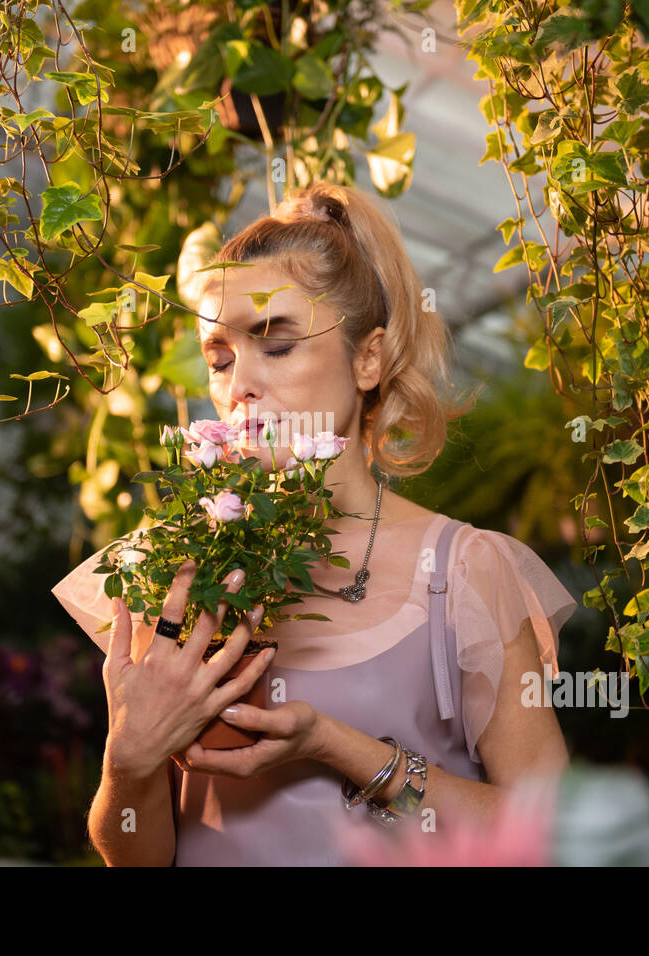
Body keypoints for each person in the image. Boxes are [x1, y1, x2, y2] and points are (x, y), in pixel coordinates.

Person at [51, 182, 578, 866]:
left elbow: (553, 838)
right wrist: (128, 764)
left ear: (370, 359)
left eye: (276, 344)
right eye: (219, 357)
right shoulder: (172, 566)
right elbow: (136, 856)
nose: (239, 381)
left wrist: (340, 747)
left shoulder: (462, 571)